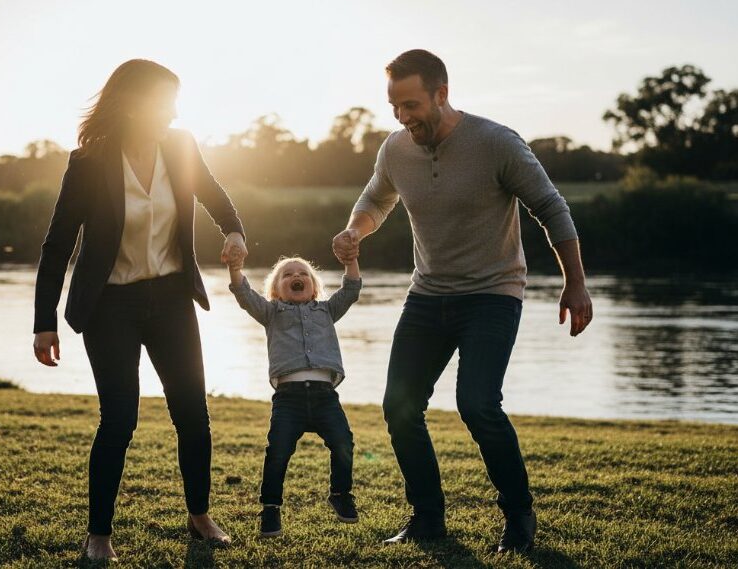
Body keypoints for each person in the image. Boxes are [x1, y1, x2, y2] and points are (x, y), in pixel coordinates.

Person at [332, 49, 593, 553]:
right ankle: (427, 517)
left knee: (477, 404)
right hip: (428, 295)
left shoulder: (496, 144)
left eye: (412, 105)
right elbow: (375, 199)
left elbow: (551, 208)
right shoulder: (395, 149)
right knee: (399, 407)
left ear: (441, 94)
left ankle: (519, 517)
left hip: (493, 295)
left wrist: (574, 282)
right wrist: (354, 229)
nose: (404, 118)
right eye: (395, 108)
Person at [32, 59, 247, 560]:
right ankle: (99, 535)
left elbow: (215, 196)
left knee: (193, 413)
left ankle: (199, 516)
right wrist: (44, 323)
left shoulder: (180, 145)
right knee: (120, 419)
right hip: (110, 306)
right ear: (132, 103)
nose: (173, 111)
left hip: (172, 298)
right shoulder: (88, 163)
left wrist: (233, 230)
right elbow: (57, 244)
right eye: (164, 100)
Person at [225, 249, 362, 538]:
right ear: (275, 290)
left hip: (325, 396)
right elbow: (244, 294)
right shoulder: (272, 313)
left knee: (343, 442)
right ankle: (271, 508)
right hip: (289, 399)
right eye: (287, 275)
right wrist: (235, 269)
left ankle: (340, 494)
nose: (296, 276)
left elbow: (350, 290)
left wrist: (350, 261)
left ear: (314, 288)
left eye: (303, 274)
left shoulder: (326, 310)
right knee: (277, 452)